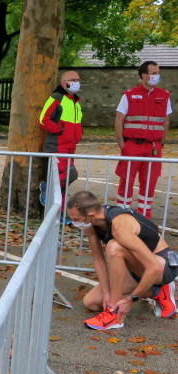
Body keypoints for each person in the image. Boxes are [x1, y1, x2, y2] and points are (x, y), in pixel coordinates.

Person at [66, 191, 176, 330]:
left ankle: (113, 314)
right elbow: (98, 259)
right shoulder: (90, 224)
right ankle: (158, 292)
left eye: (76, 219)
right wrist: (106, 292)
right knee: (91, 303)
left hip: (163, 267)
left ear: (91, 214)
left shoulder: (119, 226)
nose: (73, 222)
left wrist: (131, 299)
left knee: (114, 247)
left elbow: (154, 267)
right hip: (138, 268)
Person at [115, 61, 172, 219]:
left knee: (150, 181)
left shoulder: (164, 95)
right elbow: (119, 121)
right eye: (154, 73)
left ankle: (144, 215)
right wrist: (122, 145)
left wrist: (161, 142)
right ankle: (122, 214)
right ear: (144, 75)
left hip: (154, 146)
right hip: (133, 145)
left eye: (158, 72)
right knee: (126, 180)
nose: (157, 76)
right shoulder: (129, 95)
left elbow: (166, 121)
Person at [38, 70, 83, 211]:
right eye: (73, 80)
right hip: (57, 146)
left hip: (70, 147)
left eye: (78, 80)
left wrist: (78, 135)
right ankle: (50, 194)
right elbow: (43, 119)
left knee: (68, 176)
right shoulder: (56, 98)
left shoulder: (76, 102)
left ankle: (59, 210)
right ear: (64, 83)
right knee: (65, 176)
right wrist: (59, 130)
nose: (77, 82)